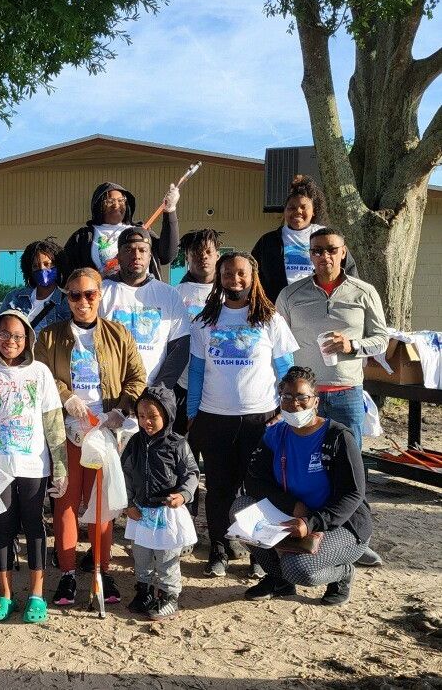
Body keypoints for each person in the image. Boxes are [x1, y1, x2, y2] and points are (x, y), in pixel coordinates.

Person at [276, 226, 388, 568]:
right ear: (309, 255)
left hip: (346, 394)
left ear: (343, 252)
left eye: (331, 249)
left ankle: (358, 539)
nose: (324, 256)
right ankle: (308, 533)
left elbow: (382, 340)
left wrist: (353, 345)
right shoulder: (291, 295)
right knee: (305, 469)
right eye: (317, 250)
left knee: (351, 472)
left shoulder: (363, 292)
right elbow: (277, 342)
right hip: (303, 401)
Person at [35, 267, 146, 607]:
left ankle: (102, 568)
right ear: (65, 298)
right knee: (66, 502)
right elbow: (40, 375)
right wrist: (65, 395)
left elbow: (137, 378)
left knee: (102, 503)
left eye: (89, 294)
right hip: (66, 429)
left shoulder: (118, 334)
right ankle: (67, 573)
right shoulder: (50, 336)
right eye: (74, 295)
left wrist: (122, 411)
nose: (82, 302)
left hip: (105, 429)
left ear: (100, 295)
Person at [187, 252, 298, 577]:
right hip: (214, 418)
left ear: (252, 277)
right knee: (219, 490)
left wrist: (286, 411)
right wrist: (193, 414)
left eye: (241, 274)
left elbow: (285, 369)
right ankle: (218, 552)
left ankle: (258, 556)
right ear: (219, 278)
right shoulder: (205, 321)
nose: (234, 279)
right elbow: (196, 372)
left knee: (258, 490)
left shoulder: (269, 320)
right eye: (227, 274)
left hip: (261, 420)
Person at [234, 366, 371, 606]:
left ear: (316, 401)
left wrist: (312, 522)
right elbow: (253, 480)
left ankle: (343, 574)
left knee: (299, 569)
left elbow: (354, 493)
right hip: (293, 516)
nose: (294, 404)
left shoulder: (338, 437)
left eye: (302, 398)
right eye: (286, 397)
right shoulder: (275, 434)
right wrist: (293, 506)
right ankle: (279, 580)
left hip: (340, 525)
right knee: (241, 510)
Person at [0, 309, 67, 624]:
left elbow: (53, 423)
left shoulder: (41, 373)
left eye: (18, 336)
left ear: (28, 340)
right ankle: (5, 593)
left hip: (34, 465)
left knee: (35, 527)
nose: (11, 341)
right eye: (5, 334)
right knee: (3, 529)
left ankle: (36, 593)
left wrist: (60, 466)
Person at [121, 385, 199, 619]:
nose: (147, 422)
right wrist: (128, 503)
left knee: (166, 557)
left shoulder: (177, 444)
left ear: (167, 414)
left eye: (153, 417)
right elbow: (123, 473)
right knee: (141, 554)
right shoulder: (135, 442)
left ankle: (168, 594)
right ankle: (143, 589)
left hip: (166, 512)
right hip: (141, 511)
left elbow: (192, 473)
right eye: (142, 416)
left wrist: (183, 495)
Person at [99, 227, 190, 388]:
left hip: (151, 393)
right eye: (129, 250)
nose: (136, 255)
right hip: (108, 392)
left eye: (143, 250)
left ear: (149, 256)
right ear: (118, 256)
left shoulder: (169, 295)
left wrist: (158, 391)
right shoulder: (100, 292)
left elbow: (179, 350)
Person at [252, 175, 357, 304]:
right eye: (291, 208)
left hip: (320, 306)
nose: (298, 211)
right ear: (284, 211)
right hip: (279, 308)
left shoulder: (328, 237)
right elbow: (253, 275)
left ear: (314, 211)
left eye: (303, 207)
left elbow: (349, 270)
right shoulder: (268, 242)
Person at [61, 181, 180, 281]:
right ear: (98, 205)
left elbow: (167, 255)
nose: (116, 205)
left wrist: (170, 211)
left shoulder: (140, 231)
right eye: (110, 201)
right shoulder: (83, 237)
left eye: (121, 200)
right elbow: (67, 271)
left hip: (141, 298)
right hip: (103, 300)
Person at [173, 229, 222, 434]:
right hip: (182, 385)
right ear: (187, 256)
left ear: (217, 256)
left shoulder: (229, 294)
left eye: (208, 252)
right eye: (196, 252)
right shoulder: (174, 294)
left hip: (219, 385)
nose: (203, 257)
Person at [0, 237, 71, 333]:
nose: (42, 269)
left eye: (47, 264)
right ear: (30, 270)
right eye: (35, 266)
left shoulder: (68, 302)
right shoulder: (13, 298)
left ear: (58, 266)